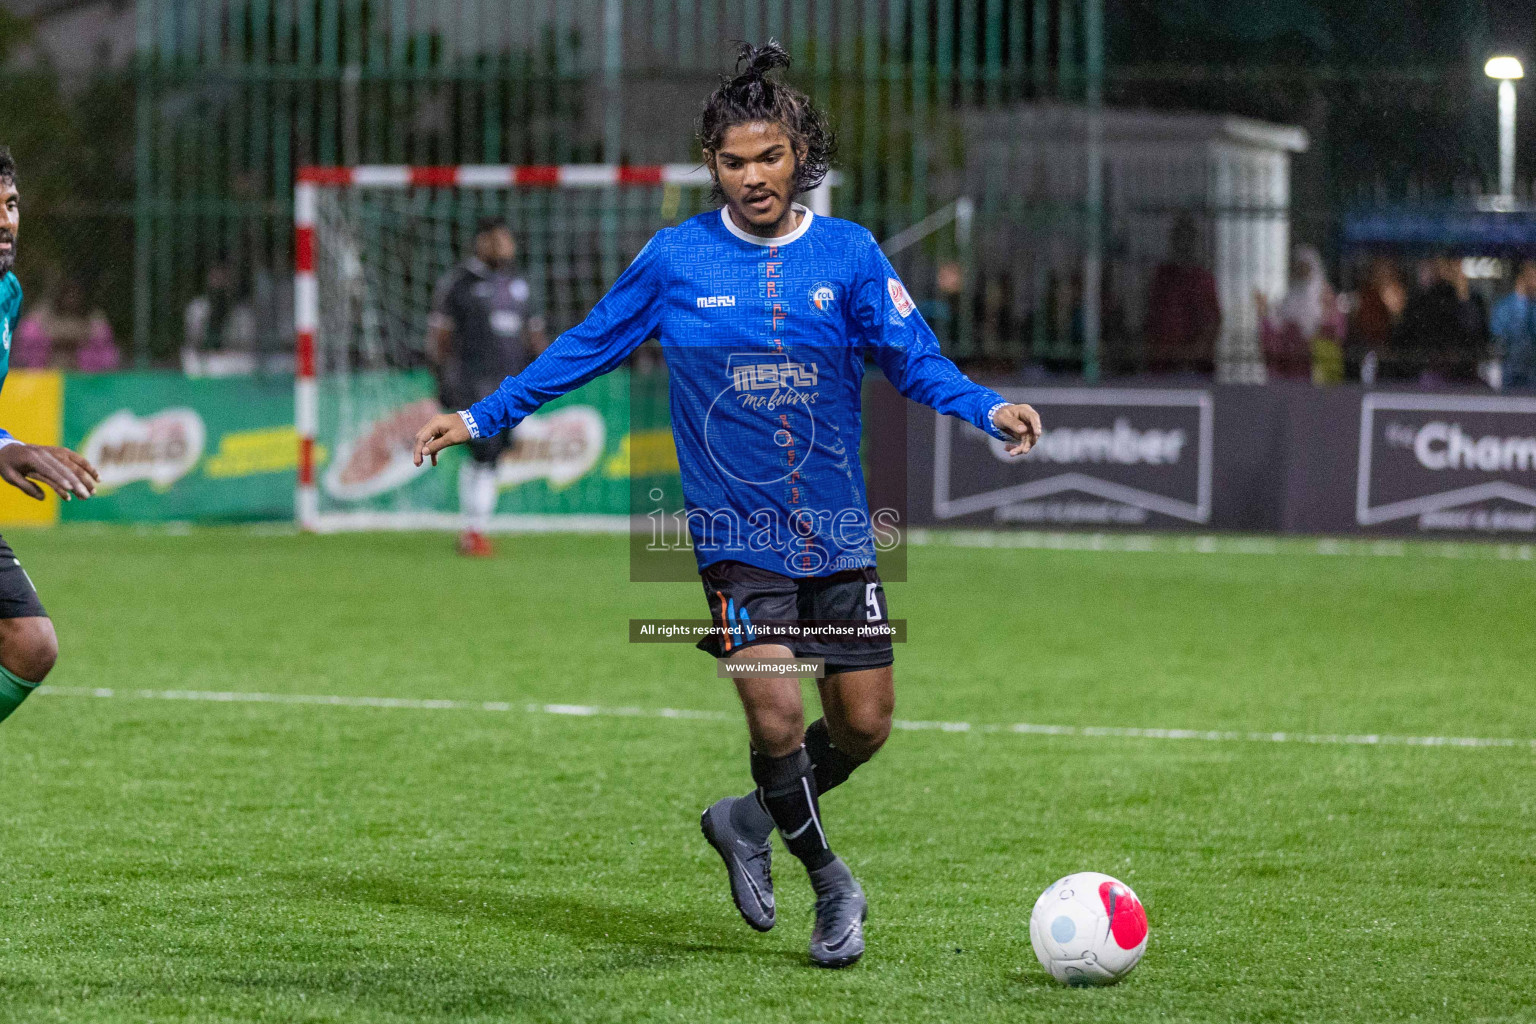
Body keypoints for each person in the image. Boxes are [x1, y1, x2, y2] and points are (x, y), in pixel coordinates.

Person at [410, 43, 1042, 969]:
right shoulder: (676, 259)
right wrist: (478, 414)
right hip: (732, 533)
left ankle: (745, 819)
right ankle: (833, 886)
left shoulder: (850, 253)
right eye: (735, 161)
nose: (753, 178)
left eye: (771, 158)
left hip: (833, 525)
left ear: (802, 158)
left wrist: (986, 406)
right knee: (778, 718)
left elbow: (915, 359)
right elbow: (582, 348)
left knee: (864, 723)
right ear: (713, 165)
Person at [0, 146, 101, 726]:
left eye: (11, 204)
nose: (5, 219)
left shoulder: (7, 295)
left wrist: (10, 446)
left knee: (32, 644)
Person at [427, 218, 548, 557]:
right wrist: (443, 383)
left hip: (512, 387)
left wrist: (547, 374)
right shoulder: (459, 284)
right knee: (484, 452)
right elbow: (440, 339)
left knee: (493, 457)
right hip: (472, 384)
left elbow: (534, 337)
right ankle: (473, 532)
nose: (505, 246)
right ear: (481, 242)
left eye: (507, 239)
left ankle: (475, 530)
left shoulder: (519, 284)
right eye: (498, 240)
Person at [1143, 213, 1220, 377]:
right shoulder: (1162, 277)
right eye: (1179, 238)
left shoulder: (1203, 279)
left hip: (1196, 369)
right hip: (1162, 367)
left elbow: (1212, 324)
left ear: (1194, 241)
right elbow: (1151, 320)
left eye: (1187, 238)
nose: (1183, 243)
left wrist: (1191, 354)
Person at [1257, 246, 1345, 384]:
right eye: (1299, 267)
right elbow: (1276, 336)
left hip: (1316, 370)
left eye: (1305, 267)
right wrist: (1264, 315)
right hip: (1289, 370)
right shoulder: (1289, 299)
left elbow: (1336, 332)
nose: (1302, 272)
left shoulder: (1326, 298)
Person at [14, 276, 120, 371]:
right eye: (68, 294)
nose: (71, 299)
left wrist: (78, 344)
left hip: (86, 376)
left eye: (76, 294)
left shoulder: (95, 317)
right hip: (45, 374)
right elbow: (28, 336)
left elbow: (104, 345)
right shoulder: (42, 313)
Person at [1490, 260, 1536, 391]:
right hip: (1510, 369)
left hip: (1532, 371)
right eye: (1532, 277)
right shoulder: (1504, 306)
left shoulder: (1533, 307)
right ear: (1522, 278)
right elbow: (1499, 334)